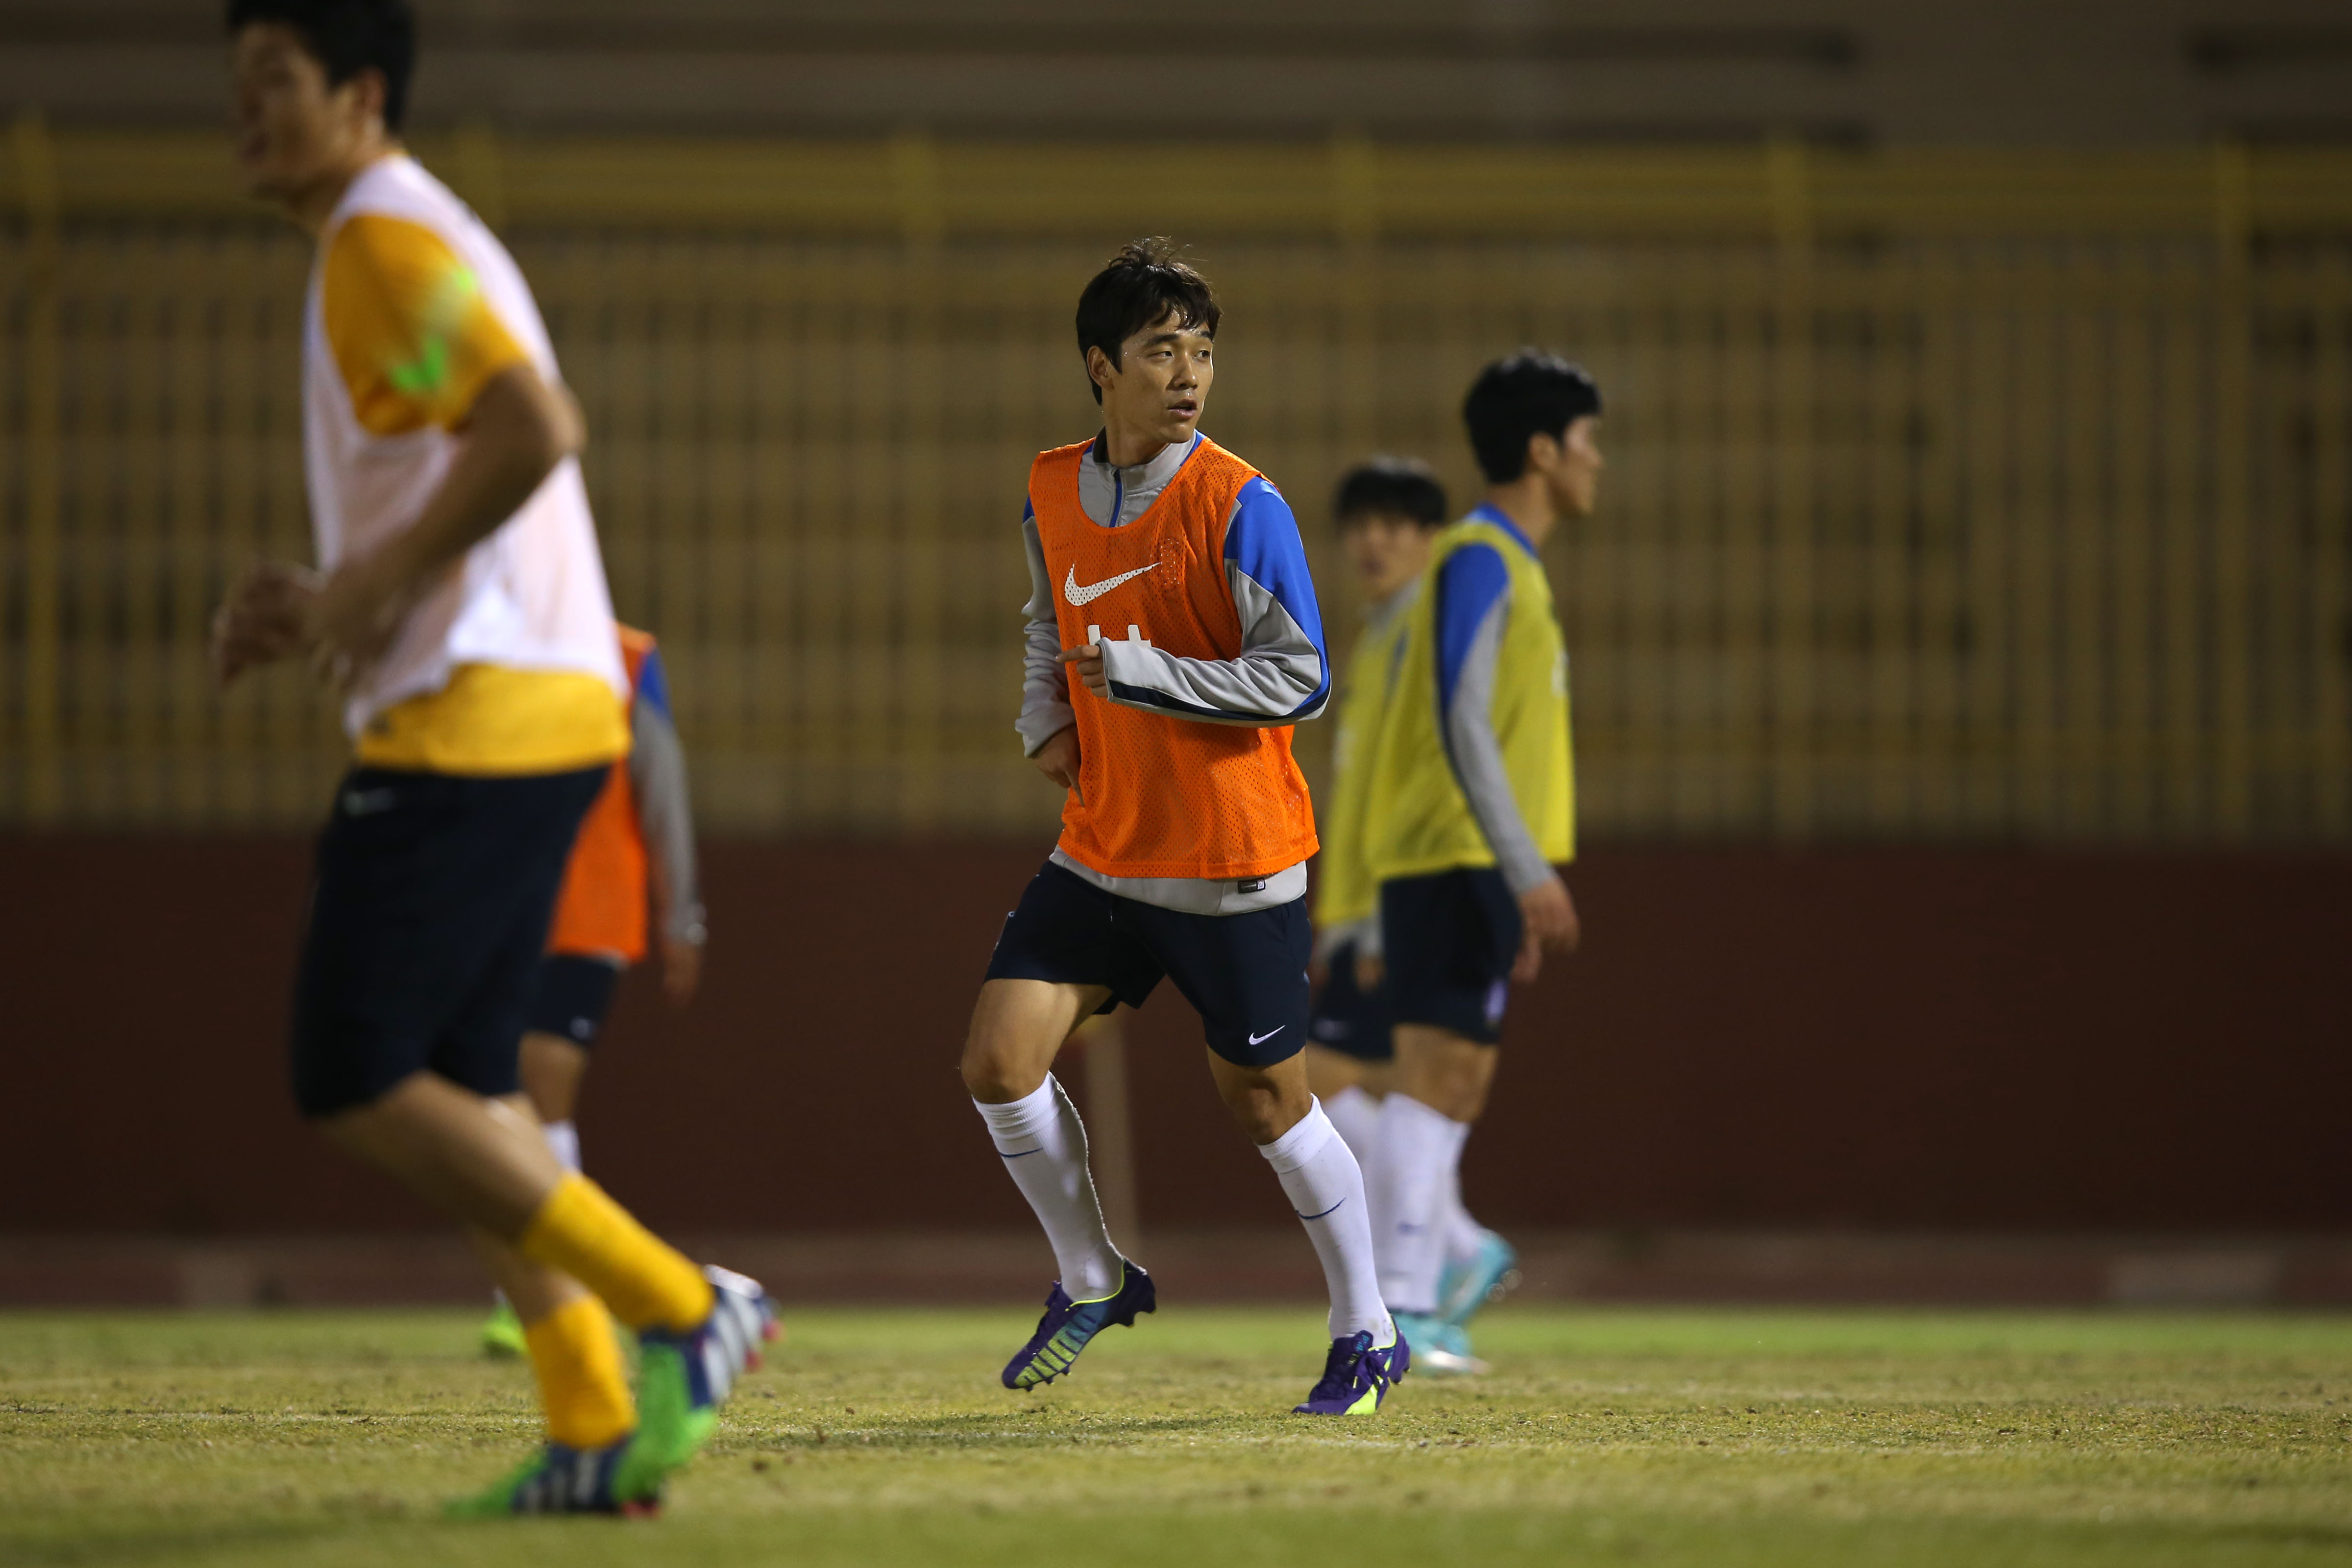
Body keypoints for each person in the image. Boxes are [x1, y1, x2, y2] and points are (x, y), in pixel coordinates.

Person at [213, 0, 768, 1515]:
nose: (244, 112)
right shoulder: (399, 237)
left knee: (353, 1065)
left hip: (482, 711)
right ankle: (595, 1426)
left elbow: (535, 424)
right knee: (471, 1097)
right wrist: (337, 595)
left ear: (362, 93)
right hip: (529, 701)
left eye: (277, 82)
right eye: (238, 82)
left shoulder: (380, 244)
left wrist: (372, 590)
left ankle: (681, 1307)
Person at [960, 238, 1406, 1417]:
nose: (1190, 373)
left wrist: (1148, 674)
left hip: (1234, 860)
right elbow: (1049, 615)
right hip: (1106, 848)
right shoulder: (1052, 486)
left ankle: (1367, 1327)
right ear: (1100, 367)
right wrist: (1043, 713)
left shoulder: (1242, 503)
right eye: (1163, 350)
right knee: (999, 1060)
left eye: (1203, 351)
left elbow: (1301, 677)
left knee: (1264, 1101)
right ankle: (1093, 1274)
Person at [1358, 350, 1602, 1367]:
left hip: (1468, 863)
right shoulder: (1481, 556)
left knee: (1449, 1082)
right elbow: (1464, 719)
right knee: (1436, 1078)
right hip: (1458, 857)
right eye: (1590, 444)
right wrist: (1524, 867)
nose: (1598, 464)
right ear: (1542, 452)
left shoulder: (1501, 563)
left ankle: (1417, 1301)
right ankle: (1405, 1308)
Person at [1306, 459, 1518, 1376]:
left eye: (1396, 524)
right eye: (1362, 524)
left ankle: (1426, 1280)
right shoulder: (1382, 638)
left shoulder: (1433, 630)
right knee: (1382, 1090)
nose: (1374, 541)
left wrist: (1379, 916)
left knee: (1372, 1084)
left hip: (1415, 896)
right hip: (1371, 903)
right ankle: (1453, 1252)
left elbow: (1434, 782)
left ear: (1431, 539)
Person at [482, 622, 707, 1357]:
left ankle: (550, 1293)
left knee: (543, 1084)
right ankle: (537, 1289)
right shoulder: (482, 644)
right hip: (496, 909)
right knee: (496, 1093)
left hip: (589, 910)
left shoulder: (628, 656)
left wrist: (682, 917)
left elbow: (662, 783)